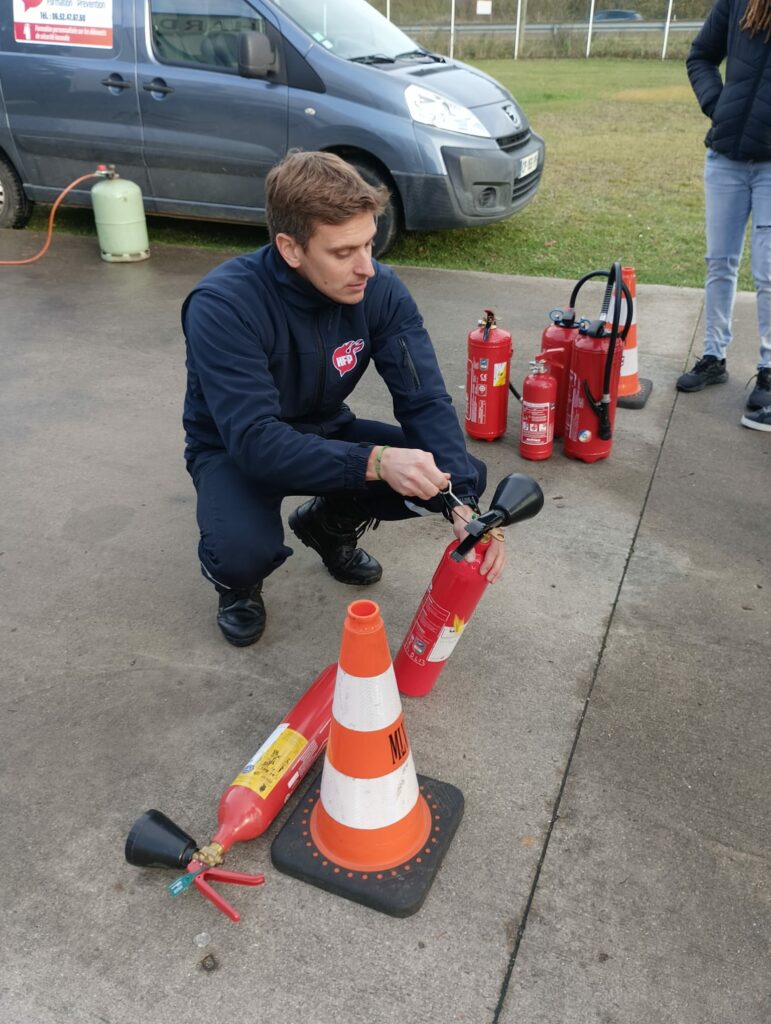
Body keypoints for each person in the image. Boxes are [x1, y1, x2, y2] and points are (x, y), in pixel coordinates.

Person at [181, 151, 504, 646]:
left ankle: (328, 524)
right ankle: (237, 586)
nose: (366, 268)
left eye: (370, 244)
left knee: (454, 473)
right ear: (290, 248)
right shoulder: (224, 306)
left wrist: (464, 506)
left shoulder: (380, 291)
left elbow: (424, 399)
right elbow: (254, 441)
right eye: (342, 252)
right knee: (242, 550)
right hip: (235, 447)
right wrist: (375, 461)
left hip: (325, 426)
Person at [678, 0, 771, 431]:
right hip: (725, 157)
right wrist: (720, 105)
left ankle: (769, 370)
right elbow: (700, 55)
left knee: (768, 269)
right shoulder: (738, 3)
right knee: (720, 263)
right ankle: (714, 356)